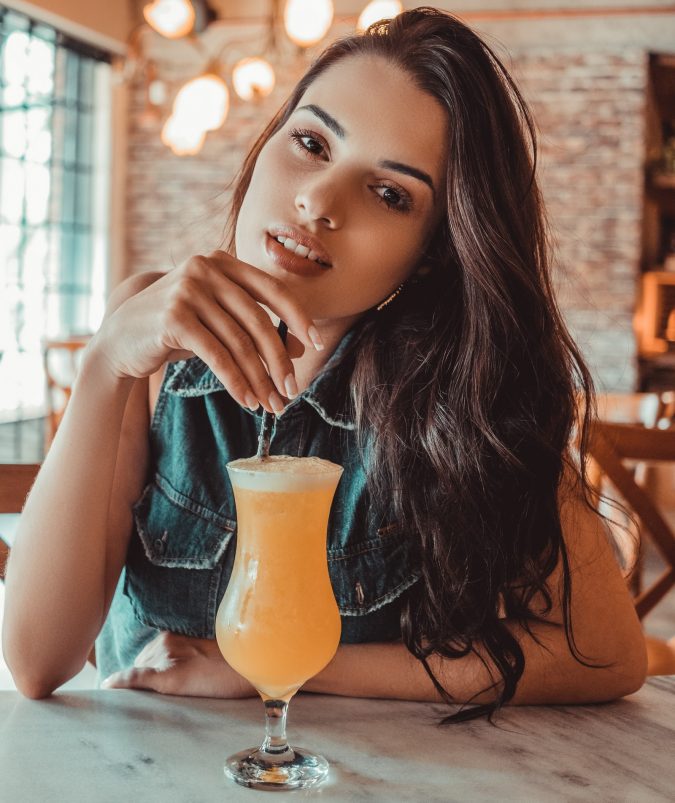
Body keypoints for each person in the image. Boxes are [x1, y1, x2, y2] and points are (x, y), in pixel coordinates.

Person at [3, 7, 646, 722]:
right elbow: (35, 662)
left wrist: (274, 667)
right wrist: (103, 366)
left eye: (388, 193)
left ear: (432, 249)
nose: (317, 201)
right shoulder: (144, 342)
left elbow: (606, 651)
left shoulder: (465, 392)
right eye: (310, 142)